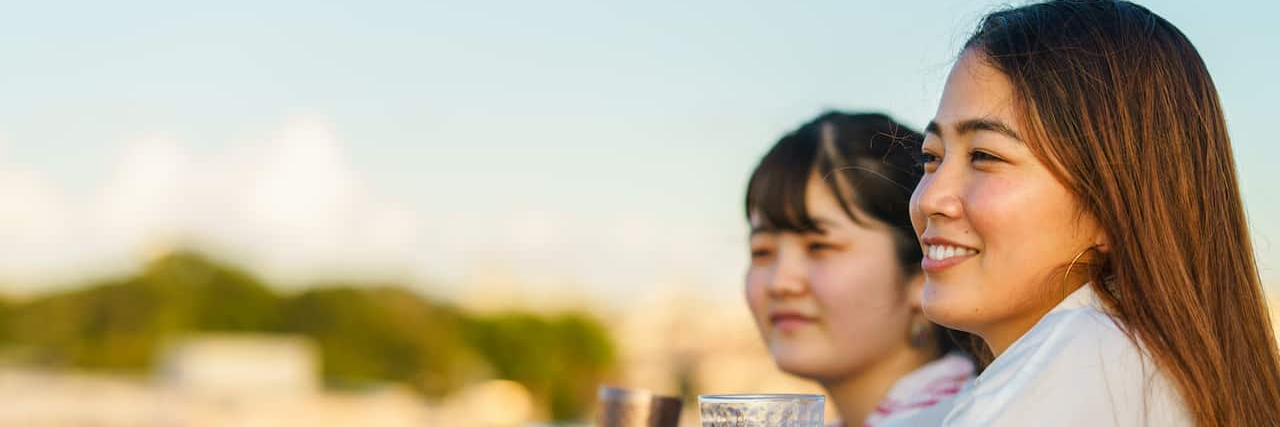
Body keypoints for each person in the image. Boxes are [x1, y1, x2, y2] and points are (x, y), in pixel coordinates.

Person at [900, 1, 1280, 425]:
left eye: (985, 155)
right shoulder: (1143, 371)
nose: (929, 198)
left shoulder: (1084, 371)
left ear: (1113, 203)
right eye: (931, 158)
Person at [744, 112, 974, 427]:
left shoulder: (977, 416)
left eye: (819, 246)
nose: (781, 282)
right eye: (762, 252)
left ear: (924, 269)